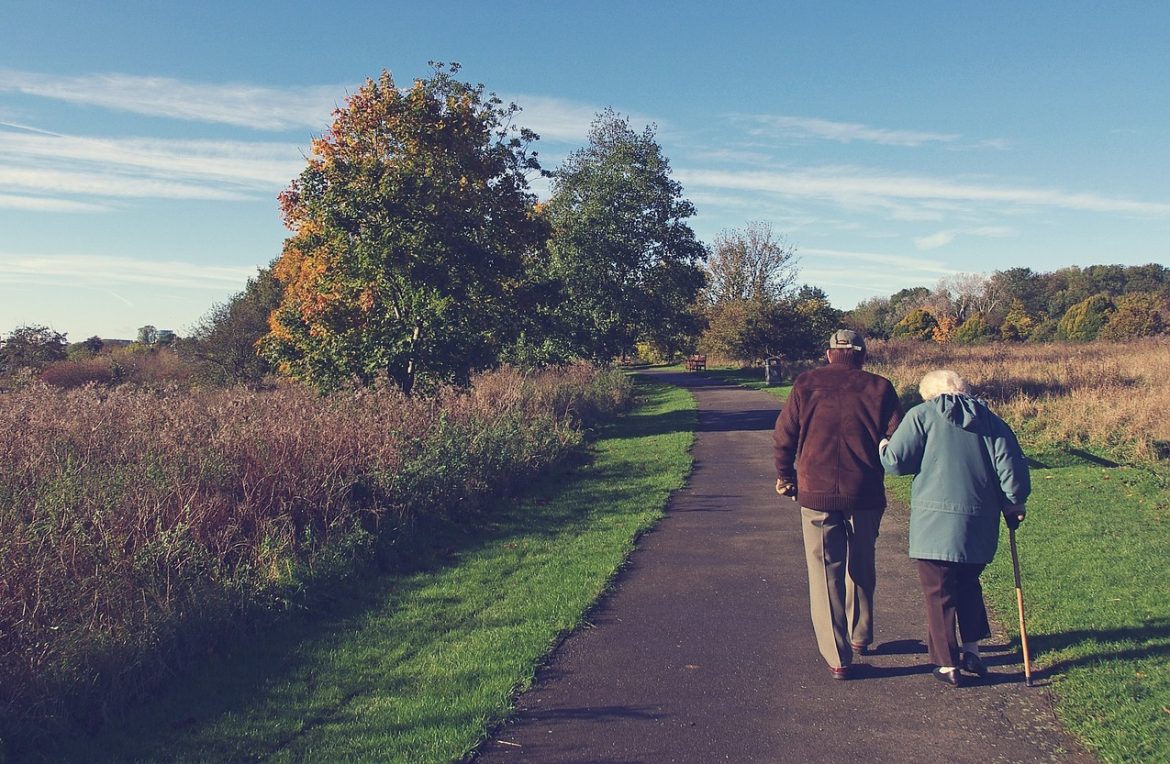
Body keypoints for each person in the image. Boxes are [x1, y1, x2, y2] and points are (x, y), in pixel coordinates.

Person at [880, 369, 1030, 687]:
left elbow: (896, 462)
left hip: (934, 523)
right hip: (980, 522)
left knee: (939, 592)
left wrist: (882, 445)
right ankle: (972, 650)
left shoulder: (922, 415)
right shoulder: (992, 421)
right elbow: (1011, 471)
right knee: (968, 584)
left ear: (929, 394)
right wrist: (1015, 503)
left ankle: (947, 664)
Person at [773, 329, 903, 680]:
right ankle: (860, 635)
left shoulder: (805, 384)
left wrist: (785, 476)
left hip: (815, 491)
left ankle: (838, 656)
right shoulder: (880, 387)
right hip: (865, 491)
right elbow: (897, 437)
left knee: (824, 572)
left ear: (830, 353)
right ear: (862, 354)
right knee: (862, 563)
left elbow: (784, 435)